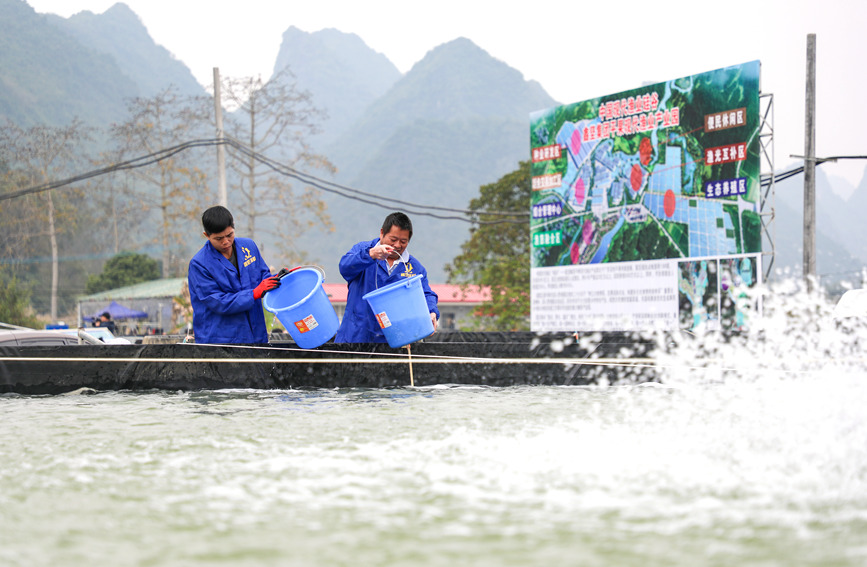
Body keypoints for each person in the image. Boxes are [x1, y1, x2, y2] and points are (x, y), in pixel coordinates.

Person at [335, 211, 439, 343]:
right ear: (382, 233)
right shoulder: (364, 250)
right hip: (355, 337)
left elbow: (427, 294)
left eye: (403, 241)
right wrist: (370, 255)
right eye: (393, 239)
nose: (397, 245)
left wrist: (432, 312)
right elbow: (344, 267)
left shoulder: (414, 267)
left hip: (392, 341)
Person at [188, 205, 282, 344]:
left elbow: (263, 274)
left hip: (255, 331)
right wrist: (254, 293)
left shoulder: (248, 247)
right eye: (219, 238)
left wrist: (278, 279)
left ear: (233, 227)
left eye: (229, 235)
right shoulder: (199, 264)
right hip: (221, 339)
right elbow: (218, 302)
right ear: (207, 236)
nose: (226, 242)